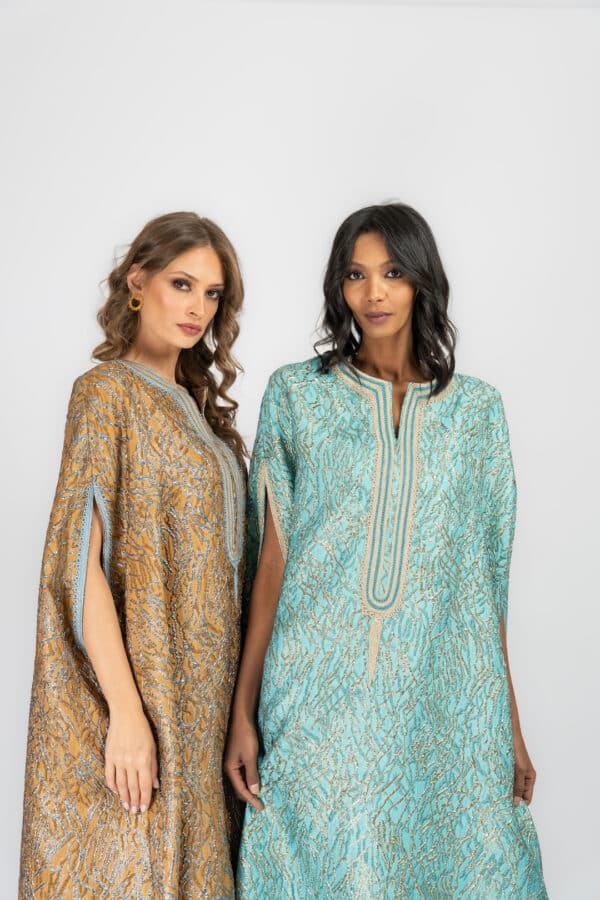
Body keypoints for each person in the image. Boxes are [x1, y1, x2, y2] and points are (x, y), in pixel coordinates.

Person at [225, 203, 548, 897]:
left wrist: (510, 728)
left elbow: (487, 583)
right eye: (356, 275)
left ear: (422, 280)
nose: (373, 292)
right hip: (318, 697)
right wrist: (242, 713)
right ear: (338, 287)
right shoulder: (297, 397)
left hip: (446, 698)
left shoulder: (478, 413)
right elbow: (270, 564)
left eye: (393, 273)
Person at [20, 212, 246, 898]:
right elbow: (78, 562)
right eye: (182, 284)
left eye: (212, 294)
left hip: (211, 707)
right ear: (137, 282)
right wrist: (125, 711)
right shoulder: (105, 393)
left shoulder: (201, 413)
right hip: (151, 690)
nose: (198, 307)